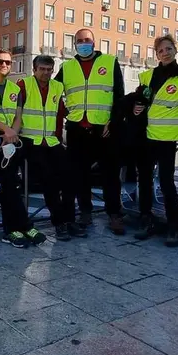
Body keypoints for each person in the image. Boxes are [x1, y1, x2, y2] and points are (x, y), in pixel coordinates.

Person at [55, 28, 126, 235]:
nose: (83, 43)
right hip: (77, 128)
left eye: (87, 40)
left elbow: (119, 96)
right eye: (79, 41)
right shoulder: (67, 67)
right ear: (74, 44)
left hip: (103, 129)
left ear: (94, 43)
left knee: (110, 174)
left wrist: (113, 122)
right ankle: (85, 211)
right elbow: (54, 92)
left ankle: (114, 214)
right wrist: (66, 111)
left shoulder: (110, 62)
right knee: (80, 175)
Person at [0, 49, 45, 248]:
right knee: (9, 179)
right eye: (0, 61)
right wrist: (7, 131)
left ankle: (14, 228)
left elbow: (18, 117)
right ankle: (19, 226)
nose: (4, 65)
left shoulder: (15, 89)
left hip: (8, 140)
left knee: (9, 180)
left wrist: (12, 134)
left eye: (7, 62)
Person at [132, 35, 178, 246]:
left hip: (169, 137)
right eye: (160, 51)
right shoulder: (148, 75)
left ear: (175, 49)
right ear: (156, 54)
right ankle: (146, 218)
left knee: (166, 181)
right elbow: (143, 99)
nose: (165, 53)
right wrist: (137, 106)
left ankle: (173, 223)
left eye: (168, 49)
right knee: (145, 179)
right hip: (148, 136)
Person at [17, 55, 84, 240]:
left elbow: (61, 112)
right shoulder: (23, 85)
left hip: (53, 142)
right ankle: (59, 224)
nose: (46, 73)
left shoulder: (57, 86)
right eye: (42, 69)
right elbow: (16, 112)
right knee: (50, 181)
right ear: (34, 69)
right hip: (31, 142)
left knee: (70, 177)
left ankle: (70, 220)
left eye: (49, 69)